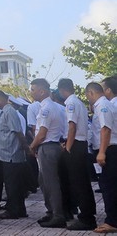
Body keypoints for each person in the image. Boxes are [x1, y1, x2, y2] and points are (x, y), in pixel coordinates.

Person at [58, 78, 97, 231]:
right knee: (83, 183)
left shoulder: (71, 103)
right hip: (80, 144)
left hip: (76, 145)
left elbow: (72, 126)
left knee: (78, 183)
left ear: (62, 90)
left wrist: (68, 147)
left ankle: (86, 218)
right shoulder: (78, 102)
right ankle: (88, 214)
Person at [29, 78, 67, 228]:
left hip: (48, 146)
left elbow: (42, 133)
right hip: (51, 146)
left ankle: (58, 215)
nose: (31, 93)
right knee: (44, 181)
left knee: (51, 183)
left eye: (33, 90)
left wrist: (32, 146)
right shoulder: (52, 106)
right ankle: (52, 211)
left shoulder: (46, 108)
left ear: (42, 91)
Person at [0, 89, 30, 220]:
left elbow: (18, 132)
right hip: (6, 153)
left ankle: (12, 210)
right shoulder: (5, 111)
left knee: (11, 184)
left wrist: (26, 147)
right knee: (15, 183)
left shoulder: (9, 111)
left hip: (11, 154)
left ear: (0, 99)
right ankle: (20, 209)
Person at [86, 82, 117, 234]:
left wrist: (102, 152)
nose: (88, 99)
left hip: (110, 150)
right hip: (110, 149)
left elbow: (106, 129)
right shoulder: (106, 104)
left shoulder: (102, 105)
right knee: (110, 186)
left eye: (87, 96)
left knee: (109, 187)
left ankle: (112, 221)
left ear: (91, 93)